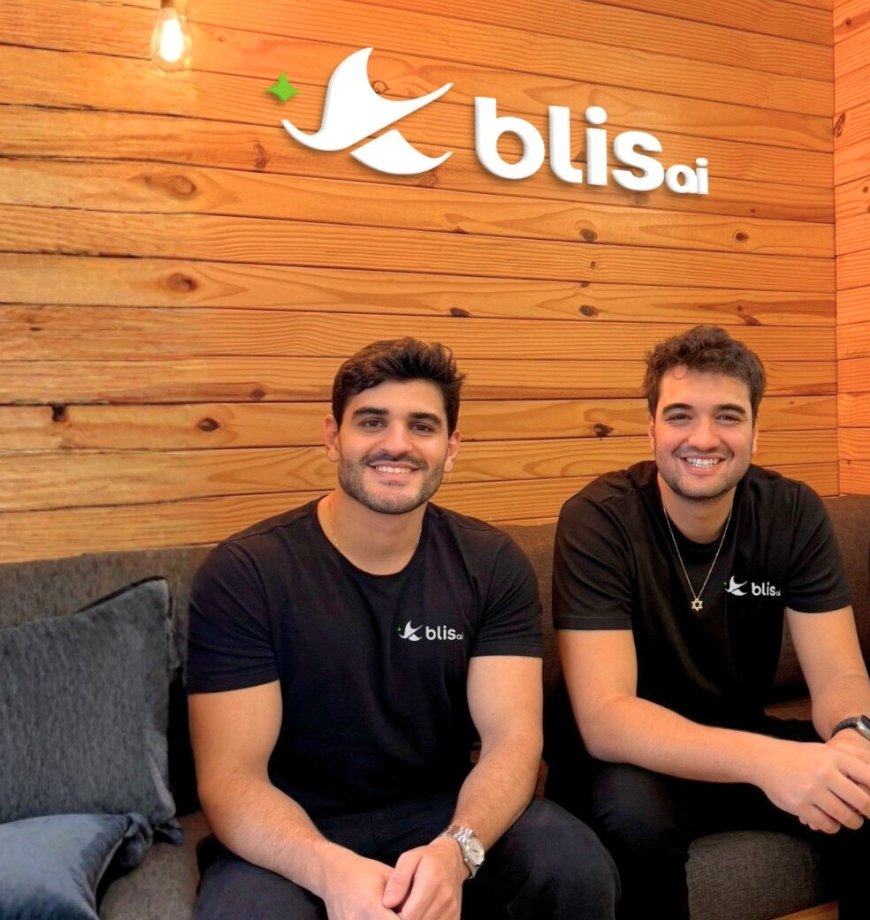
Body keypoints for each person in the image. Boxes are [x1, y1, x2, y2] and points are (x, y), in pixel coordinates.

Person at [186, 338, 617, 920]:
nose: (397, 444)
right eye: (372, 422)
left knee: (573, 866)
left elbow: (512, 742)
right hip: (295, 827)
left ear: (451, 447)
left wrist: (457, 851)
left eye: (422, 426)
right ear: (333, 437)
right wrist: (330, 870)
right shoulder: (245, 574)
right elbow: (231, 780)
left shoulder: (491, 564)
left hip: (442, 815)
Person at [547, 325, 870, 920]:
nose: (703, 437)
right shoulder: (599, 519)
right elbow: (607, 718)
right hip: (628, 762)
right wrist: (767, 763)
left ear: (756, 431)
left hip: (738, 734)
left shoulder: (792, 511)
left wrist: (854, 739)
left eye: (728, 417)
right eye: (680, 416)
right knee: (633, 816)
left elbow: (839, 676)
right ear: (651, 428)